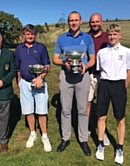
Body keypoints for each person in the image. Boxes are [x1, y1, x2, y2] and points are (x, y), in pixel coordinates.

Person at [52, 11, 95, 156]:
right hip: (66, 76)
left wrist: (86, 66)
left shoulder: (87, 38)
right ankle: (65, 138)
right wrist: (65, 62)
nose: (74, 23)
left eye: (76, 20)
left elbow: (92, 59)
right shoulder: (61, 38)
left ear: (81, 21)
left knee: (82, 109)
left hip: (83, 76)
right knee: (65, 109)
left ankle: (83, 139)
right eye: (71, 20)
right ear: (68, 22)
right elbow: (55, 59)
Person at [95, 24, 130, 164]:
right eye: (110, 34)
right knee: (101, 117)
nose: (112, 37)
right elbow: (100, 71)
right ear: (107, 36)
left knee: (120, 118)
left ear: (119, 35)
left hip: (119, 85)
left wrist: (123, 86)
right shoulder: (102, 52)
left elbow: (129, 70)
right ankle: (100, 145)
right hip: (104, 84)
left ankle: (119, 148)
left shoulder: (126, 52)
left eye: (114, 34)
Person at [15, 24, 52, 152]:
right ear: (23, 35)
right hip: (25, 83)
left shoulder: (41, 47)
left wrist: (40, 77)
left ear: (34, 35)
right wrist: (19, 81)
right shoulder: (19, 48)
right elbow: (18, 67)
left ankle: (44, 136)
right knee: (28, 110)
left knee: (42, 111)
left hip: (39, 82)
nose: (30, 36)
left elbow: (47, 66)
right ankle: (32, 133)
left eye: (32, 34)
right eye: (27, 34)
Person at [87, 13, 110, 145]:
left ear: (101, 22)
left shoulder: (108, 37)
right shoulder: (85, 36)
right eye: (92, 22)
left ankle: (103, 131)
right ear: (89, 23)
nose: (95, 24)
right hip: (88, 74)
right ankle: (88, 128)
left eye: (97, 22)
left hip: (104, 76)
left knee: (102, 105)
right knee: (88, 103)